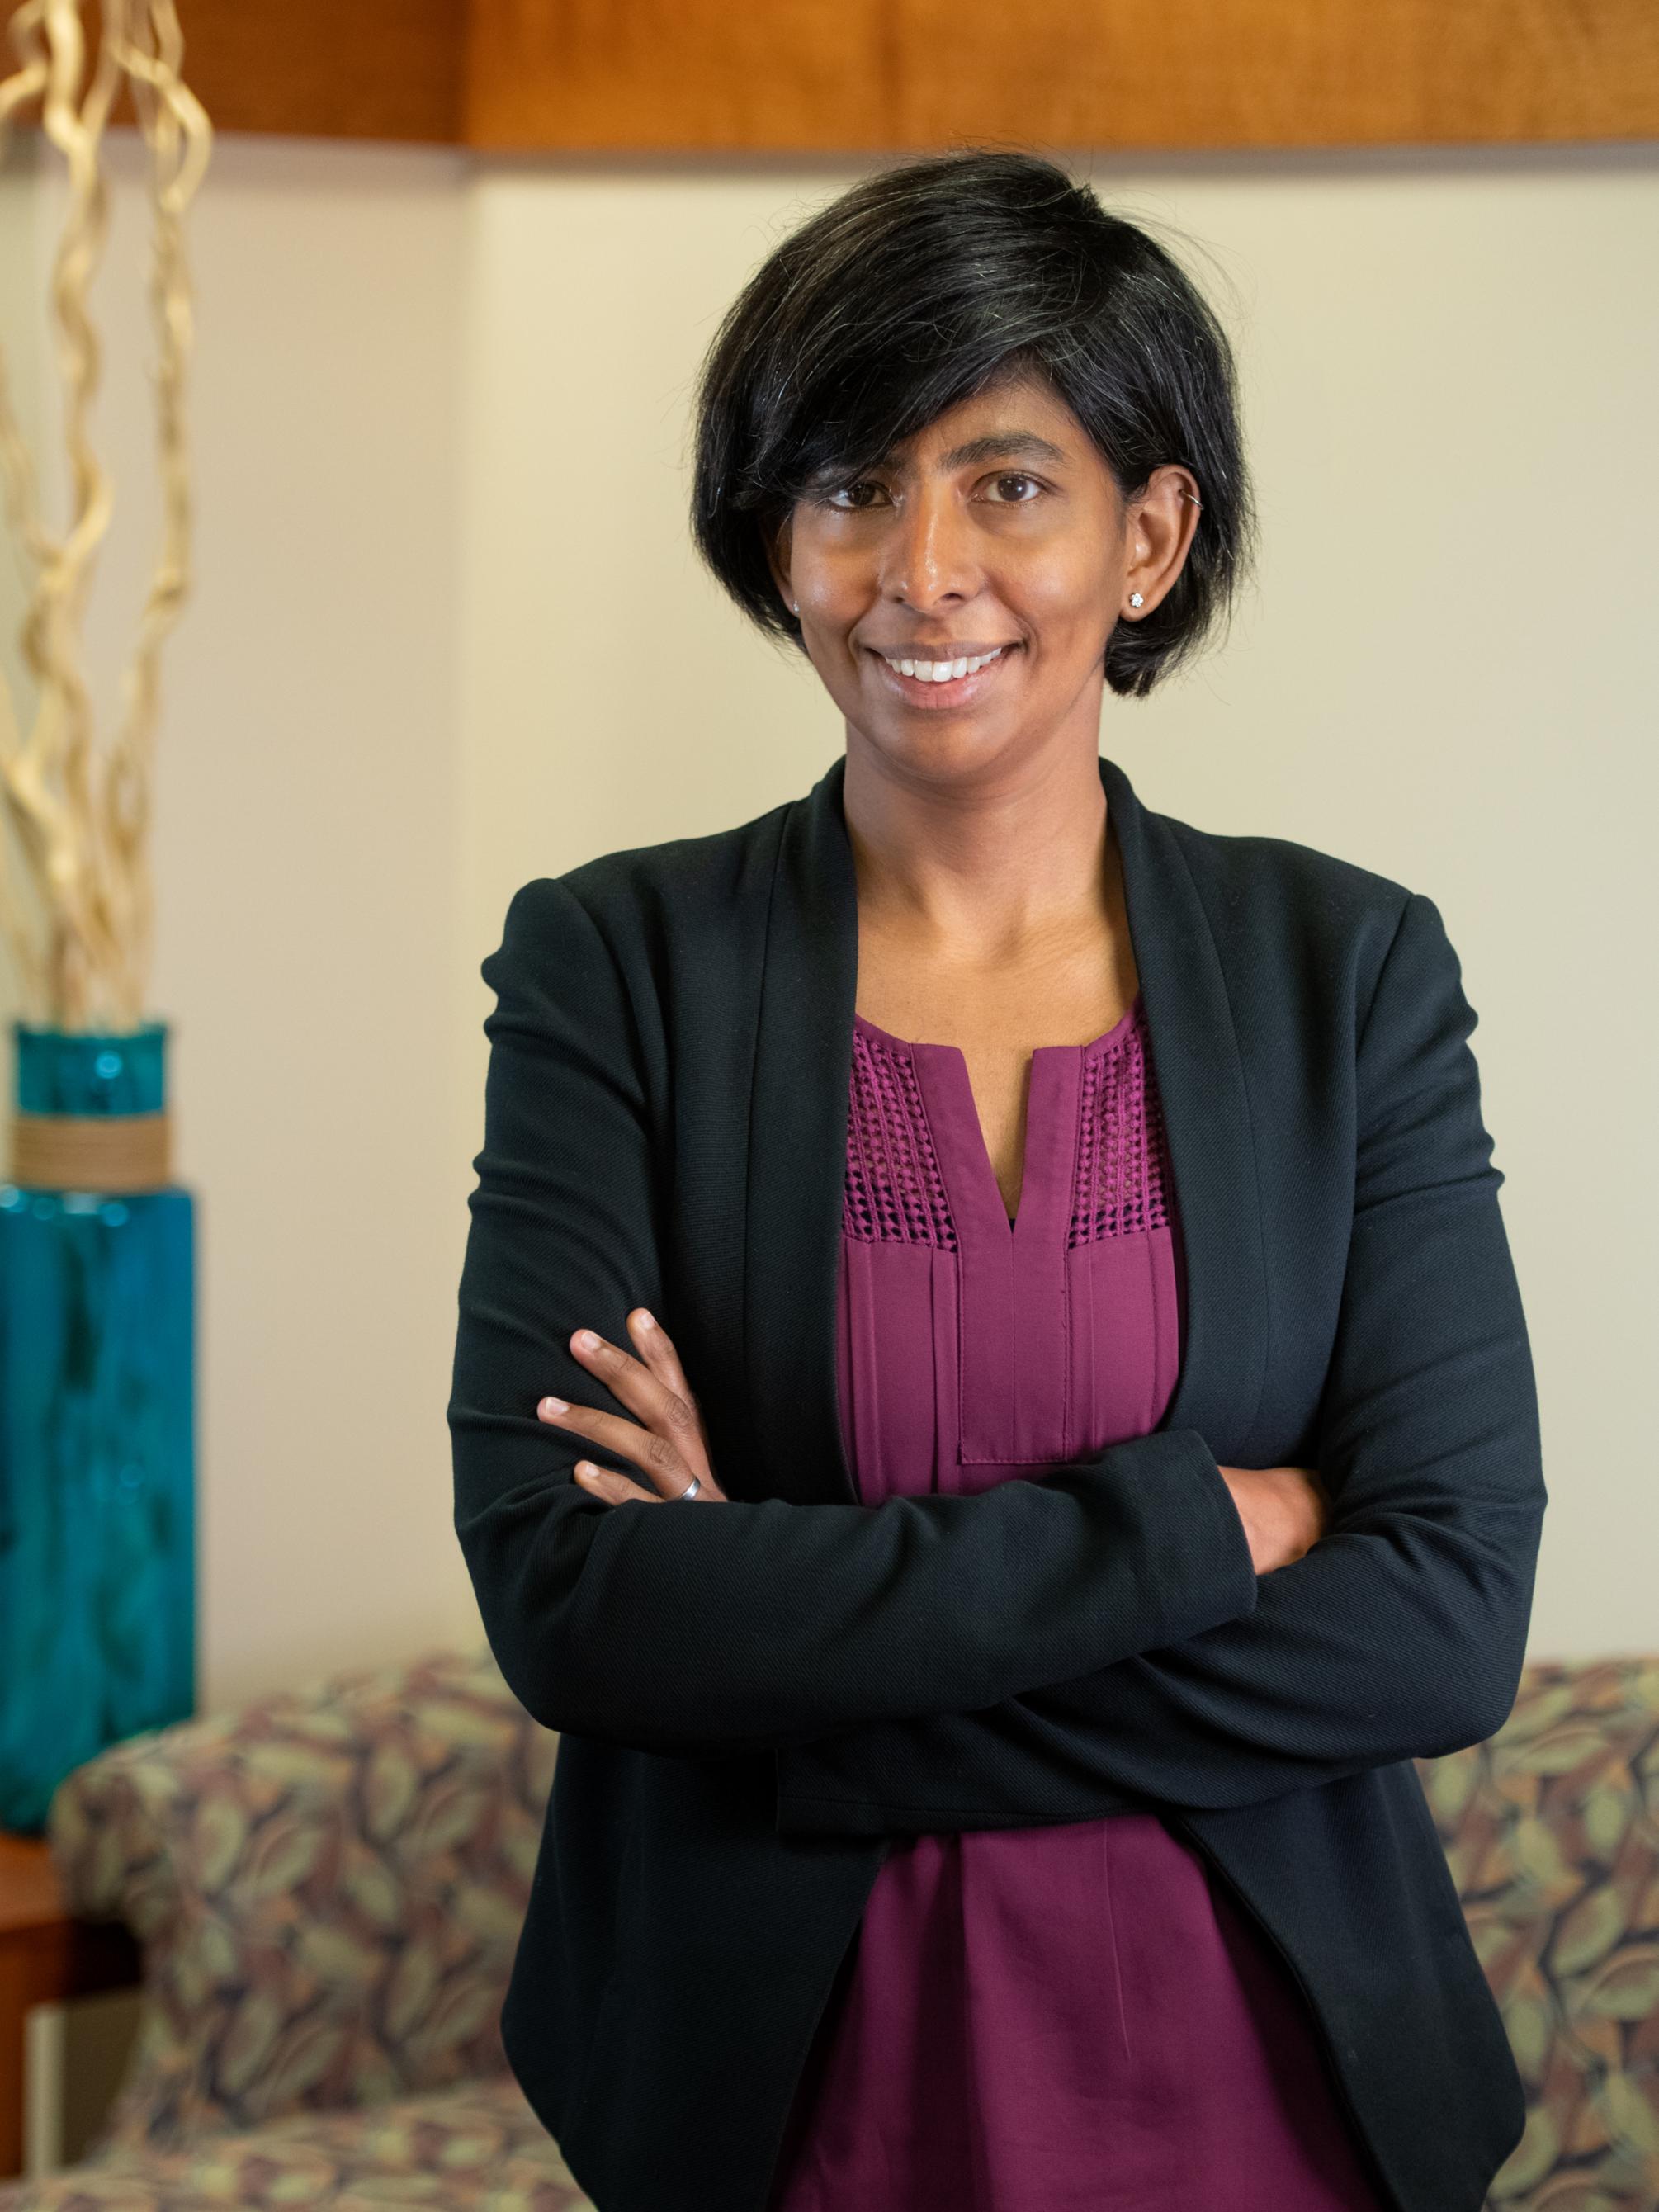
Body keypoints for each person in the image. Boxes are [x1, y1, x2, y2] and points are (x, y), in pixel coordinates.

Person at [447, 149, 1546, 2212]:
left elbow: (1445, 1625)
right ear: (779, 533)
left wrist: (788, 1650)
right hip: (790, 2104)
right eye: (853, 485)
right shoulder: (619, 968)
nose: (919, 568)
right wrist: (1206, 1526)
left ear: (1150, 535)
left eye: (1008, 482)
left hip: (1275, 2098)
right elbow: (580, 1603)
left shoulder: (1350, 974)